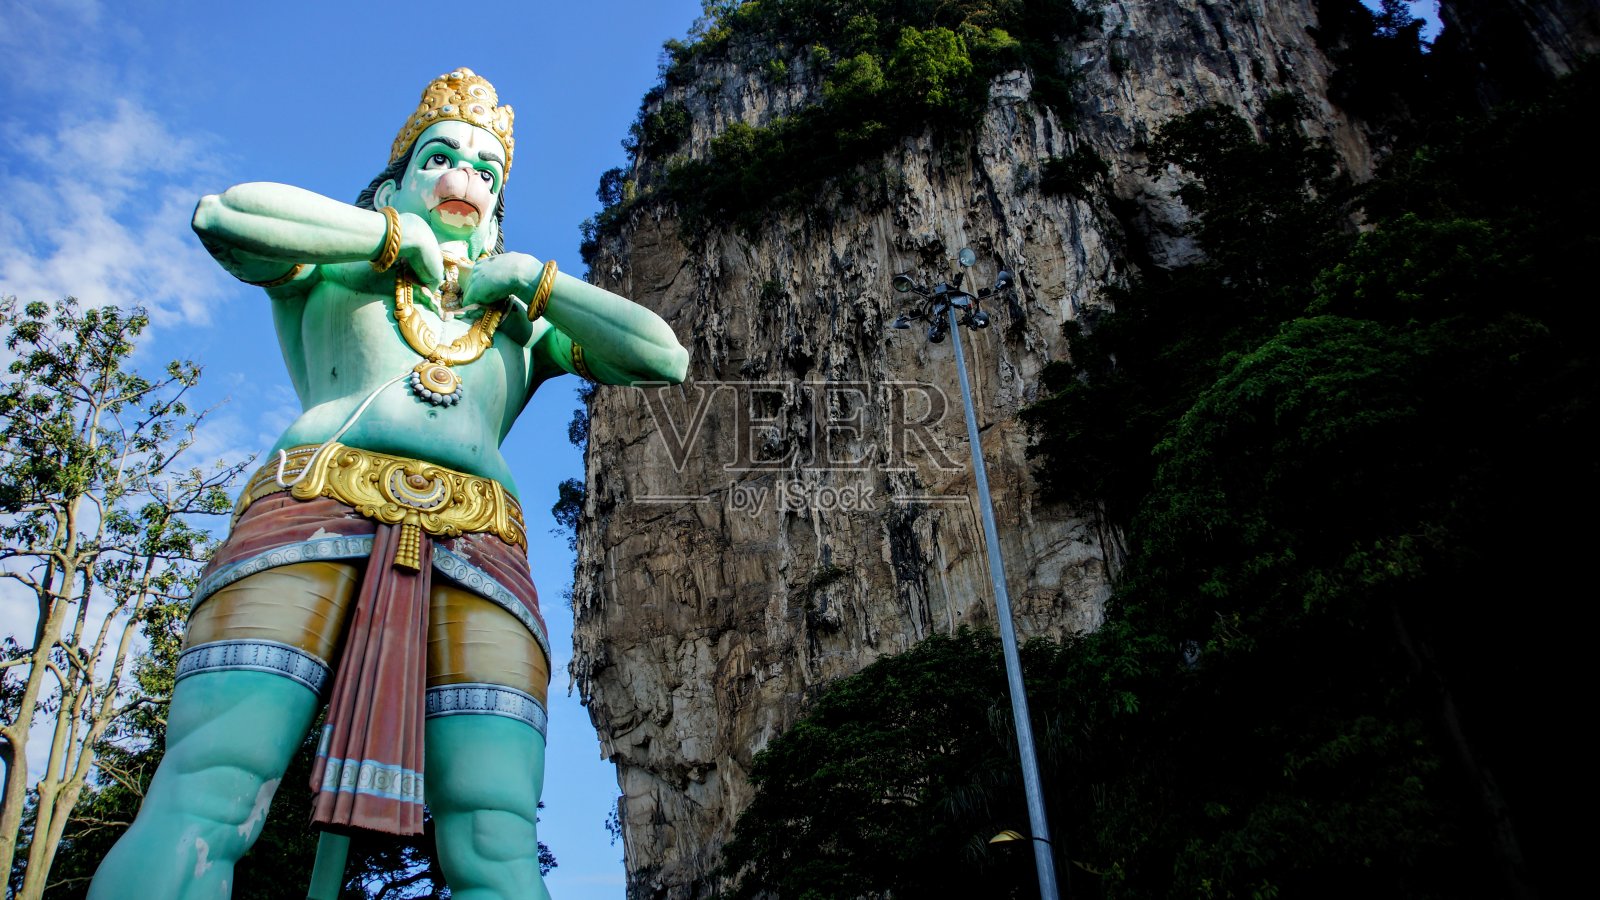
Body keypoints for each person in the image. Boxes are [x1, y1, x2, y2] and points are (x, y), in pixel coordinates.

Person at [88, 67, 687, 900]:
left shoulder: (523, 325)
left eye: (487, 173)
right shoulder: (332, 268)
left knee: (496, 838)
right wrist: (382, 240)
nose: (465, 180)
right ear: (395, 181)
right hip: (315, 500)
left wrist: (531, 282)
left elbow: (663, 357)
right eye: (442, 157)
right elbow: (224, 215)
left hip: (481, 541)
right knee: (211, 788)